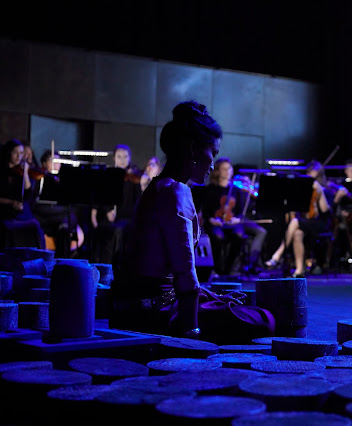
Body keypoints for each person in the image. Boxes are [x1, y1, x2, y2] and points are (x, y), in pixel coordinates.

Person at [109, 100, 275, 343]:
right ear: (193, 150)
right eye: (213, 153)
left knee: (232, 303)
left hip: (138, 307)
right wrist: (191, 332)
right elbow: (185, 275)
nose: (213, 164)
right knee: (264, 319)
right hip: (158, 313)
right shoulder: (177, 192)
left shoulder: (157, 187)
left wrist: (213, 297)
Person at [199, 157, 267, 276]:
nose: (227, 172)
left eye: (229, 168)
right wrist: (211, 219)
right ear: (217, 171)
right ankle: (218, 269)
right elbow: (206, 211)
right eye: (224, 169)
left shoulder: (236, 190)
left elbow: (240, 212)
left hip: (232, 223)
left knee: (239, 235)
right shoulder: (210, 189)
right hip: (216, 223)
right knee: (218, 236)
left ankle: (229, 269)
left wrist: (237, 219)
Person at [265, 160, 333, 277]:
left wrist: (320, 192)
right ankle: (300, 270)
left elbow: (325, 211)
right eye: (309, 174)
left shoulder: (326, 190)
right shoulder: (305, 190)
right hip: (307, 222)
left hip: (321, 223)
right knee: (297, 233)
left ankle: (278, 254)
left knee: (295, 222)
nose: (310, 177)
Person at [90, 144, 142, 267]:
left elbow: (138, 199)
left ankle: (116, 267)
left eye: (125, 157)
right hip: (108, 217)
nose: (122, 160)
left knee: (119, 231)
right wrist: (107, 211)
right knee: (101, 231)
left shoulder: (133, 177)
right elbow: (100, 198)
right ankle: (102, 266)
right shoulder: (108, 175)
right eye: (119, 157)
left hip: (126, 218)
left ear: (130, 158)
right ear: (114, 158)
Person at [32, 149, 84, 257]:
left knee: (65, 226)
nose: (56, 164)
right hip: (45, 216)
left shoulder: (65, 179)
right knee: (66, 215)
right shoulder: (38, 178)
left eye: (58, 161)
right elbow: (35, 203)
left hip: (61, 216)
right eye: (52, 161)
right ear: (44, 164)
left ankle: (63, 259)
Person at [0, 139, 45, 249]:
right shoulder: (2, 172)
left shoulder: (20, 172)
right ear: (9, 153)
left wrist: (25, 174)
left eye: (21, 153)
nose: (18, 156)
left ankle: (36, 256)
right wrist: (11, 202)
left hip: (21, 212)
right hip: (4, 211)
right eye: (16, 153)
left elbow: (28, 196)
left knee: (35, 226)